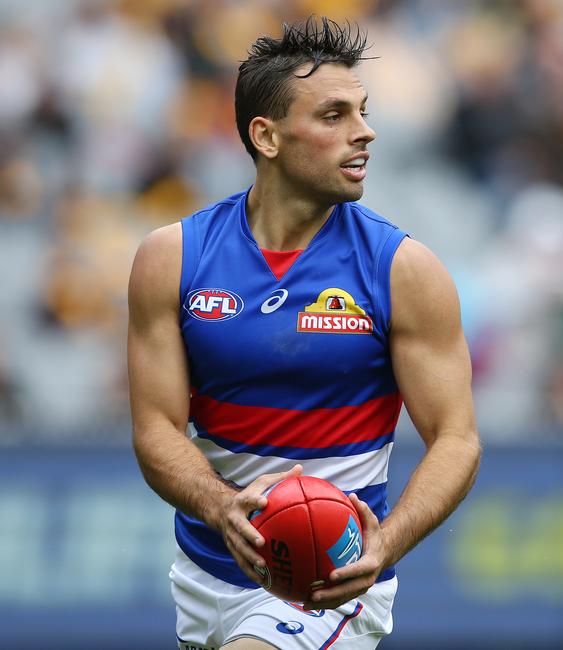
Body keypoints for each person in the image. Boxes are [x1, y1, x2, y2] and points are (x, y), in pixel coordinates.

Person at [128, 16, 481, 650]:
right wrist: (220, 506)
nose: (365, 132)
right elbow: (155, 429)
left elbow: (456, 439)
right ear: (266, 136)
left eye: (364, 112)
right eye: (334, 115)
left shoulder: (403, 270)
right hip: (205, 577)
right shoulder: (172, 257)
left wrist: (384, 544)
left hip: (329, 581)